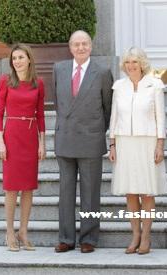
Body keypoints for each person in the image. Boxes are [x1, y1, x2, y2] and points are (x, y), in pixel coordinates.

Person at [52, 30, 113, 253]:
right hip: (65, 138)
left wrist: (97, 130)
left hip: (90, 139)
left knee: (91, 192)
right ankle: (66, 238)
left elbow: (108, 107)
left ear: (91, 46)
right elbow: (59, 103)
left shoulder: (103, 72)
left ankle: (89, 238)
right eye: (76, 44)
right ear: (70, 47)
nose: (80, 48)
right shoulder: (59, 69)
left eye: (84, 44)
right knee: (66, 192)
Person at [108, 47, 167, 255]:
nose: (131, 66)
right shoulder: (119, 86)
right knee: (131, 191)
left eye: (135, 62)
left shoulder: (155, 85)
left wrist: (160, 144)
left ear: (142, 64)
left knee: (146, 191)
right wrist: (112, 143)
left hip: (147, 142)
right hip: (125, 143)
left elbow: (161, 117)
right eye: (127, 62)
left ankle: (146, 236)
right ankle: (135, 234)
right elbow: (114, 117)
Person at [0, 44, 46, 252]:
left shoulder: (38, 83)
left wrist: (42, 143)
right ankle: (9, 231)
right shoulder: (5, 81)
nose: (17, 61)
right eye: (14, 58)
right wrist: (0, 140)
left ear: (29, 60)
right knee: (11, 187)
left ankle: (23, 231)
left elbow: (41, 115)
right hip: (12, 136)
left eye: (21, 57)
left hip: (30, 137)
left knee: (28, 187)